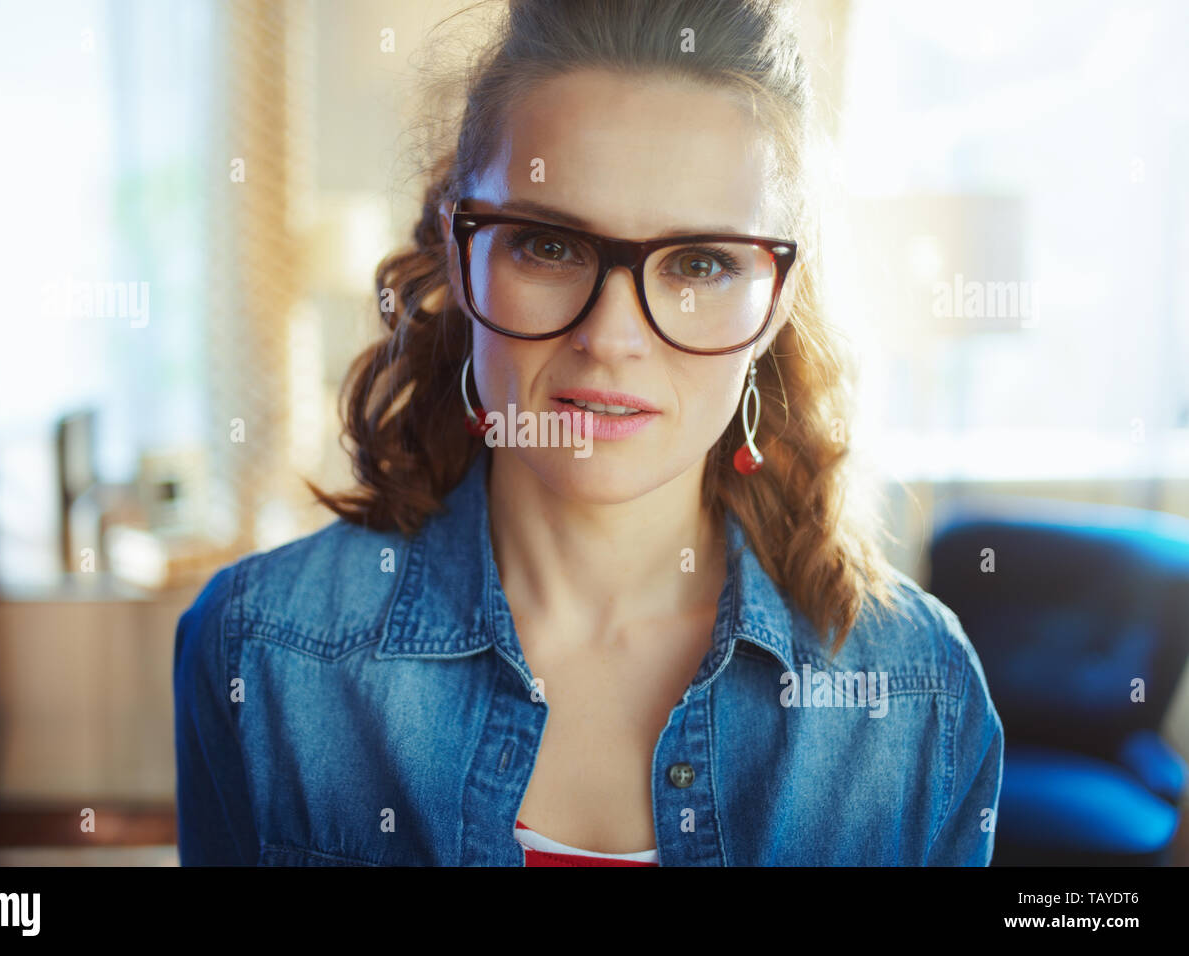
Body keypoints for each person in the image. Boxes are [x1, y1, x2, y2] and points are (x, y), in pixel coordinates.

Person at [174, 0, 1003, 866]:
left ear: (775, 304)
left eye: (700, 264)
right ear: (462, 254)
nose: (610, 338)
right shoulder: (256, 649)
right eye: (548, 245)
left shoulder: (923, 694)